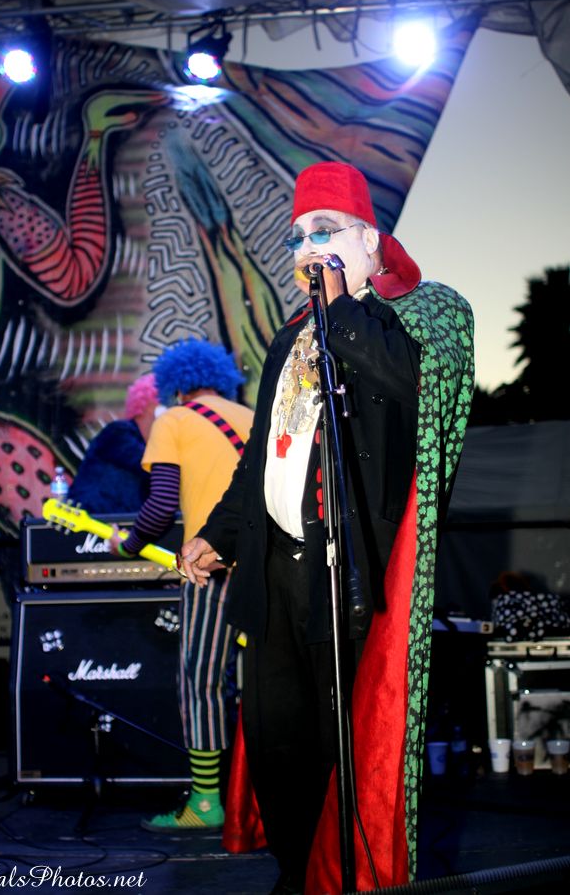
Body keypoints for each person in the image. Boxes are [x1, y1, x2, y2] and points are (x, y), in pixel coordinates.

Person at [180, 161, 475, 893]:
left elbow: (409, 383)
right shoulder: (287, 339)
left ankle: (345, 879)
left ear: (370, 241)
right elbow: (262, 457)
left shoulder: (424, 311)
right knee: (278, 746)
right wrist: (219, 533)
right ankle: (296, 876)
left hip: (348, 572)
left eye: (326, 231)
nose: (309, 246)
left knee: (340, 741)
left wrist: (338, 307)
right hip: (274, 573)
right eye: (299, 235)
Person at [110, 339, 253, 831]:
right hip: (266, 568)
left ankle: (207, 802)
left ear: (175, 384)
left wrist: (128, 545)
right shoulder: (250, 416)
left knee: (201, 680)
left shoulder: (174, 419)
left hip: (210, 566)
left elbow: (159, 507)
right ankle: (257, 797)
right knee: (259, 682)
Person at [67, 373, 159, 514]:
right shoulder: (119, 432)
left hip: (117, 524)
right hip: (89, 519)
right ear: (149, 405)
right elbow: (147, 462)